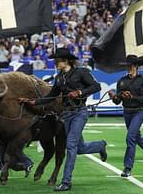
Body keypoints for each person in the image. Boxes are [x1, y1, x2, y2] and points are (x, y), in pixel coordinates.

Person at [19, 47, 107, 191]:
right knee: (79, 148)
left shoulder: (81, 72)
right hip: (66, 115)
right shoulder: (59, 77)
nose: (55, 63)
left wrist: (79, 92)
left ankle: (66, 181)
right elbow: (51, 96)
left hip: (79, 112)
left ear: (65, 61)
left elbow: (96, 87)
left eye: (57, 61)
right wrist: (32, 101)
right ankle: (100, 145)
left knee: (71, 146)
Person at [108, 55, 143, 178]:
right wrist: (114, 97)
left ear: (136, 66)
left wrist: (132, 97)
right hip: (127, 112)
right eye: (127, 66)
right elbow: (117, 102)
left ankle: (127, 167)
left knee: (130, 137)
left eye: (131, 65)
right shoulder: (121, 81)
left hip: (138, 112)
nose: (129, 68)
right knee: (136, 137)